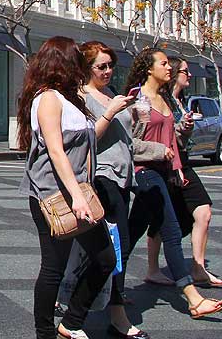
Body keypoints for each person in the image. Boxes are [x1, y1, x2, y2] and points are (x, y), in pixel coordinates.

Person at [19, 37, 116, 339]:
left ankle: (71, 322)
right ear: (62, 62)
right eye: (76, 59)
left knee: (105, 260)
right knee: (54, 266)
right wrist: (76, 196)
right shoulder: (47, 98)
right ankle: (45, 332)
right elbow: (57, 151)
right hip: (53, 195)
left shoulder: (72, 97)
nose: (81, 65)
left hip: (80, 192)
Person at [121, 48, 222, 320]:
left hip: (166, 171)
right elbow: (128, 144)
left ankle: (110, 287)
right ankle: (193, 299)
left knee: (131, 233)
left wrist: (183, 132)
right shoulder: (138, 100)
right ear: (149, 68)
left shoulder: (165, 98)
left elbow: (172, 141)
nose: (170, 68)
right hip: (145, 172)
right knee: (170, 230)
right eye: (164, 63)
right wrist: (159, 151)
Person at [78, 41, 147, 339]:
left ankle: (74, 301)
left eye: (110, 66)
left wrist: (134, 119)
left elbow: (128, 141)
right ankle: (117, 315)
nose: (107, 72)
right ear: (86, 68)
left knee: (105, 250)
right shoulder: (82, 97)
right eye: (101, 66)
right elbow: (87, 138)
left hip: (122, 177)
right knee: (118, 246)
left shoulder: (110, 94)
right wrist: (111, 112)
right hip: (102, 177)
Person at [144, 57, 222, 288]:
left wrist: (185, 131)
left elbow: (176, 137)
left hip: (182, 162)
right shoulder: (161, 99)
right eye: (184, 71)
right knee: (164, 219)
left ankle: (198, 267)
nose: (188, 75)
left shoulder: (180, 101)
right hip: (165, 164)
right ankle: (152, 269)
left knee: (203, 212)